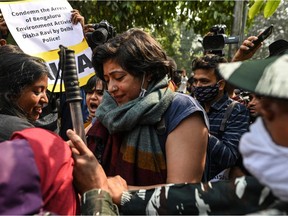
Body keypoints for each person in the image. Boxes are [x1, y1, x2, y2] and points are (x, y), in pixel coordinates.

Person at [68, 54, 288, 216]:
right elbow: (198, 198)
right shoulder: (267, 186)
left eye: (274, 105)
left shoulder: (182, 110)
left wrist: (99, 193)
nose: (261, 109)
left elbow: (192, 200)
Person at [88, 28, 209, 188]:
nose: (111, 88)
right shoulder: (108, 112)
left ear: (149, 73)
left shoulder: (182, 111)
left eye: (119, 78)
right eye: (107, 79)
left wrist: (117, 192)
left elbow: (181, 194)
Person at [191, 54, 250, 180]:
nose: (198, 86)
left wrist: (200, 132)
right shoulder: (190, 108)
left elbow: (229, 157)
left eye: (204, 81)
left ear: (221, 84)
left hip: (215, 191)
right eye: (195, 81)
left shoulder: (237, 111)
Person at [0, 45, 49, 141]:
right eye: (37, 92)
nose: (45, 100)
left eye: (46, 91)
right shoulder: (19, 131)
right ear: (12, 93)